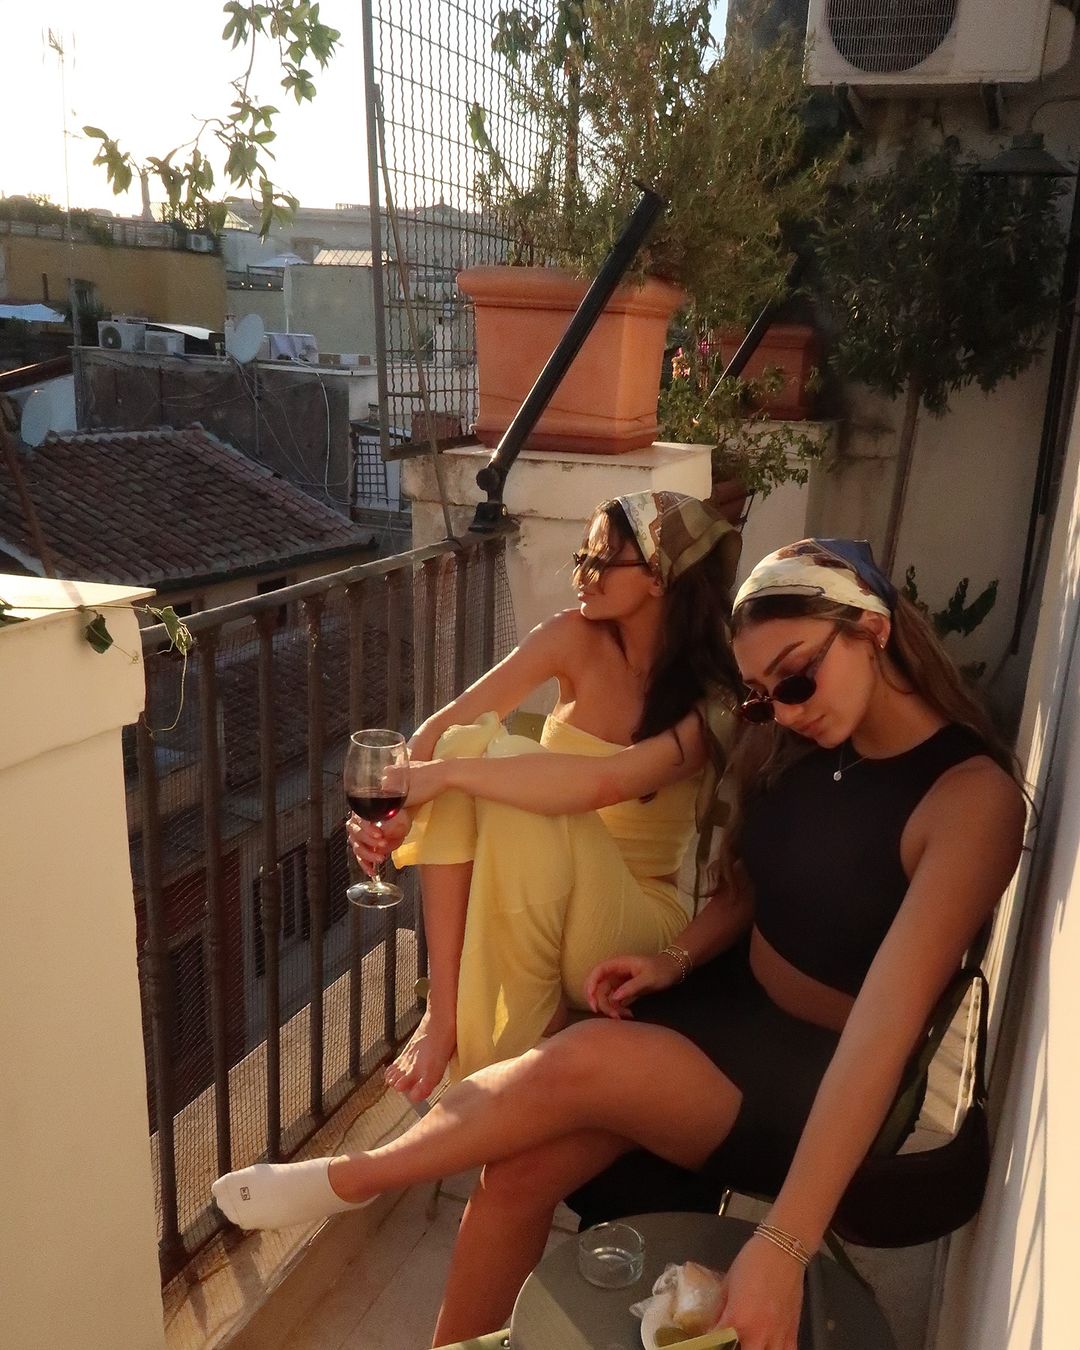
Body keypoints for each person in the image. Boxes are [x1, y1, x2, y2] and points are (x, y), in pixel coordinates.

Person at [212, 537, 1025, 1350]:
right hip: (731, 1002)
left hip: (824, 1072)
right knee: (515, 1174)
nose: (782, 709)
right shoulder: (815, 745)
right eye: (762, 698)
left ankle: (355, 1178)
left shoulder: (970, 801)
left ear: (873, 627)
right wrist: (673, 959)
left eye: (796, 678)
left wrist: (783, 1244)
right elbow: (752, 894)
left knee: (580, 1058)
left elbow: (883, 1033)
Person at [369, 489, 741, 1099]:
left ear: (658, 578)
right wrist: (394, 814)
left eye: (602, 561)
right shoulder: (571, 636)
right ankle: (449, 1015)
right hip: (545, 889)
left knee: (498, 768)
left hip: (625, 923)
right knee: (466, 744)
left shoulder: (711, 702)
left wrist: (447, 777)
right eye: (581, 557)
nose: (582, 575)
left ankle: (493, 1084)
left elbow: (601, 785)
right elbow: (438, 732)